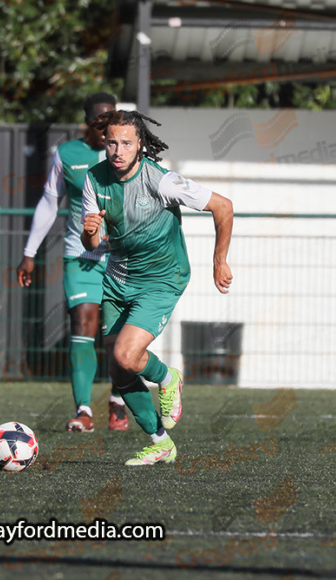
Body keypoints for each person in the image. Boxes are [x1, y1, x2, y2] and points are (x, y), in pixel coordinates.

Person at [81, 110, 234, 465]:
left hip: (162, 279)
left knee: (125, 355)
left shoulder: (161, 181)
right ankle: (160, 442)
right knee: (119, 369)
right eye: (111, 142)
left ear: (140, 146)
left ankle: (167, 377)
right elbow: (92, 244)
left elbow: (223, 207)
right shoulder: (94, 180)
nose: (117, 150)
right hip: (117, 280)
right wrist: (90, 231)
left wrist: (219, 260)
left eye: (126, 143)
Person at [17, 92, 130, 433]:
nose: (105, 124)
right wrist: (29, 253)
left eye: (111, 118)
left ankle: (118, 400)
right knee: (83, 324)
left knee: (120, 336)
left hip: (121, 259)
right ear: (87, 121)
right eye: (99, 119)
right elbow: (50, 203)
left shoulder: (127, 152)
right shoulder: (67, 154)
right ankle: (83, 410)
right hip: (80, 257)